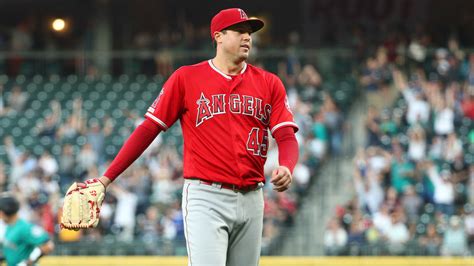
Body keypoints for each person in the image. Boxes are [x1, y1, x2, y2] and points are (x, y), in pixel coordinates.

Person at [70, 7, 299, 266]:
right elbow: (148, 129)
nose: (248, 37)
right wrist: (106, 178)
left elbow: (287, 136)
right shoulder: (187, 78)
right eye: (240, 31)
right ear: (218, 36)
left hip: (253, 198)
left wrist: (287, 166)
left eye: (250, 32)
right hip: (206, 196)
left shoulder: (270, 83)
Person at [0, 193, 54, 266]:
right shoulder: (7, 228)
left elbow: (48, 245)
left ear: (2, 213)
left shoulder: (24, 228)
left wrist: (28, 262)